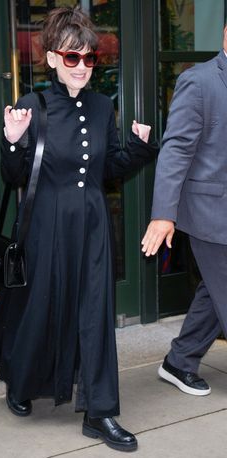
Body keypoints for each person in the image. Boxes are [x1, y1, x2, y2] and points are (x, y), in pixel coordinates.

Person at [0, 7, 156, 452]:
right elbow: (15, 176)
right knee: (40, 307)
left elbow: (109, 166)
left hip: (92, 226)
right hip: (45, 226)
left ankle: (100, 412)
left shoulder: (101, 106)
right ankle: (20, 381)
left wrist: (138, 148)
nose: (81, 67)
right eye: (71, 58)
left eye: (89, 59)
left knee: (96, 314)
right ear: (52, 59)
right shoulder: (31, 105)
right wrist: (12, 140)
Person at [141, 25, 227, 397]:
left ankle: (179, 361)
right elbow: (176, 150)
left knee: (215, 291)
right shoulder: (199, 81)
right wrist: (164, 213)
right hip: (213, 213)